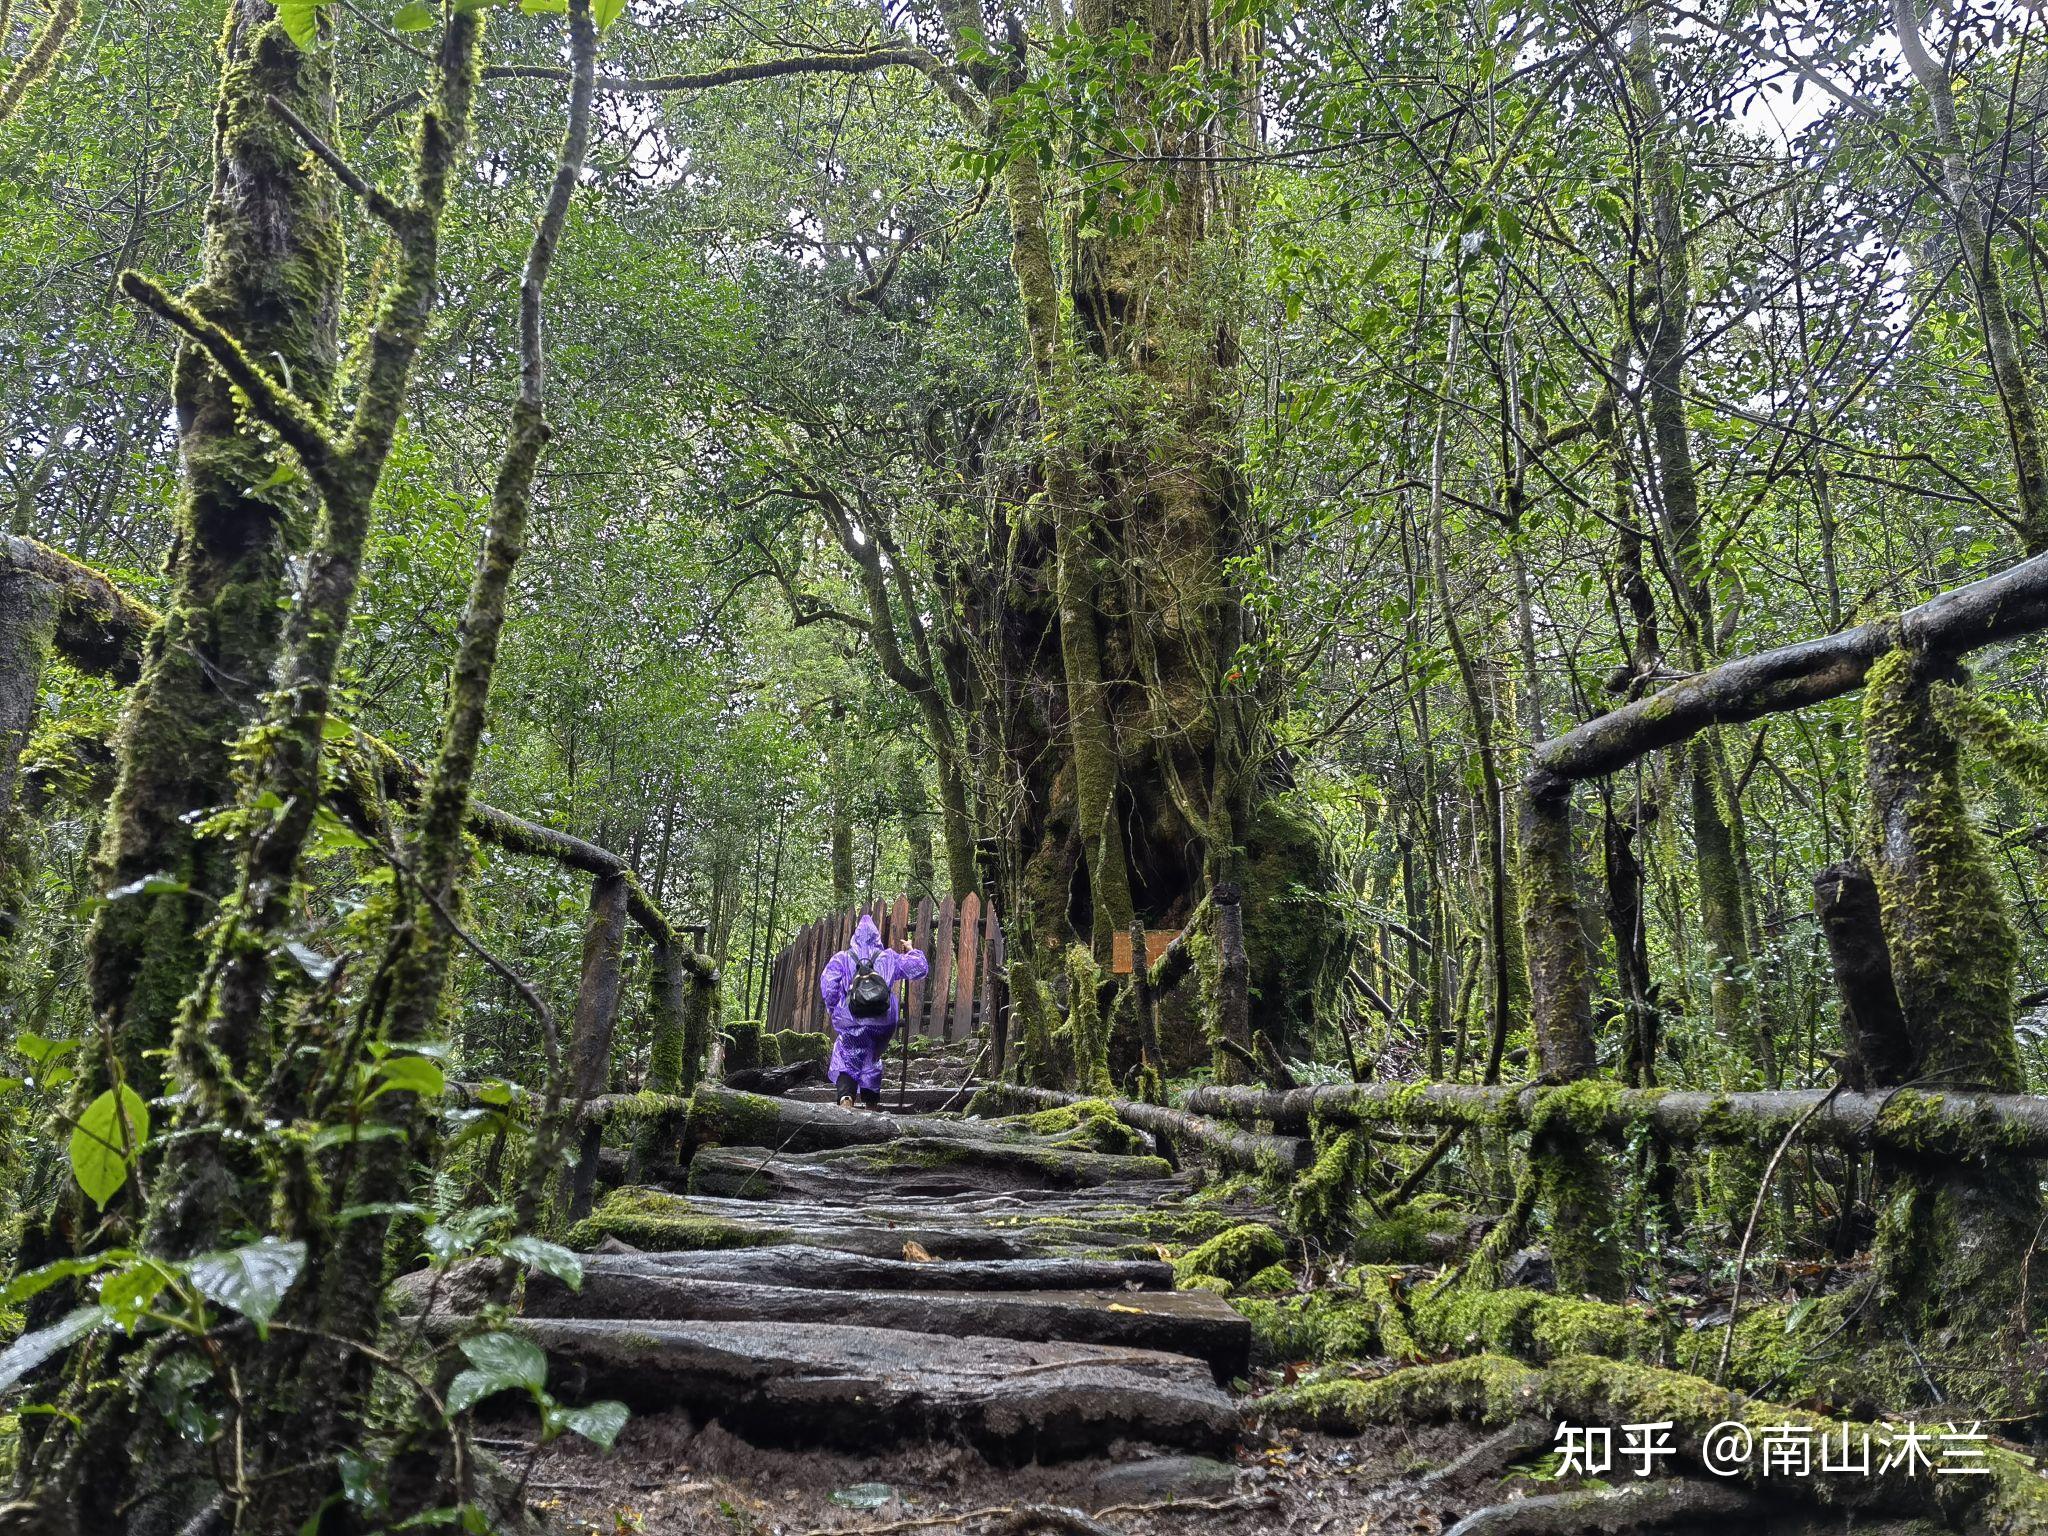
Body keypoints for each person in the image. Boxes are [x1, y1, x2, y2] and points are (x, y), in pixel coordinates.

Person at [819, 914, 928, 1109]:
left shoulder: (843, 958)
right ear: (876, 937)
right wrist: (911, 950)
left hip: (853, 1019)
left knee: (845, 1055)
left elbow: (829, 986)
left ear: (855, 936)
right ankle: (871, 1104)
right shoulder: (887, 957)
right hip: (883, 1022)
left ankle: (846, 1099)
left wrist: (836, 1009)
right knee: (871, 1058)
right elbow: (919, 968)